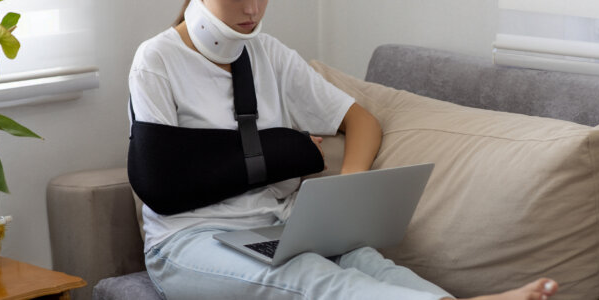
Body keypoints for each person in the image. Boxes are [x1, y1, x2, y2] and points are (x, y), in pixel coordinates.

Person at [128, 0, 560, 299]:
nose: (252, 10)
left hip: (274, 225)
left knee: (368, 262)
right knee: (310, 277)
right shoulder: (157, 60)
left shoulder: (268, 54)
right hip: (187, 242)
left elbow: (362, 122)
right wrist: (285, 148)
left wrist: (346, 191)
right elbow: (163, 184)